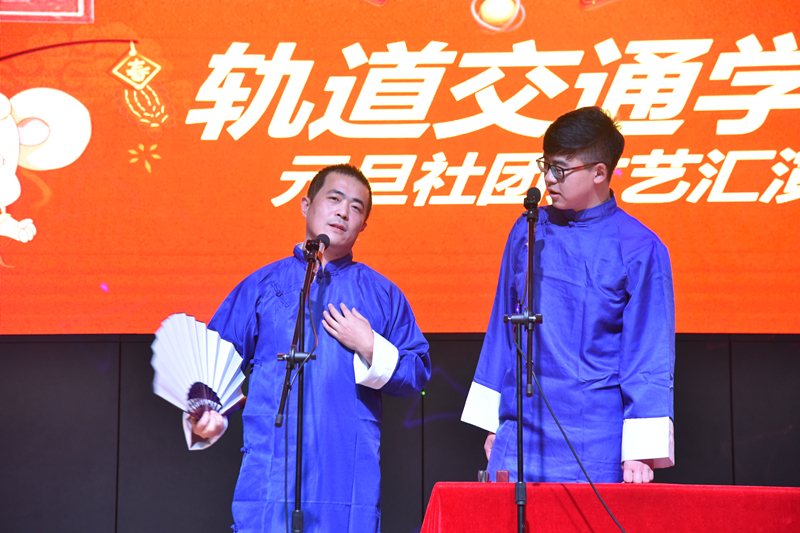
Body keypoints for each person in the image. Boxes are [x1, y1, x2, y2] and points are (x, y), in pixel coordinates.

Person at [187, 164, 431, 532]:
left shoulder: (381, 293)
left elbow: (417, 372)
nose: (343, 212)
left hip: (345, 473)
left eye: (356, 207)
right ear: (306, 205)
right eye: (334, 199)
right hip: (271, 469)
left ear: (363, 225)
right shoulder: (263, 285)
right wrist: (204, 407)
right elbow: (214, 358)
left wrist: (370, 346)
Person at [461, 107, 674, 484]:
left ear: (599, 172)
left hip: (596, 436)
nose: (548, 178)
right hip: (521, 429)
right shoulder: (529, 229)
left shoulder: (640, 246)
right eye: (546, 165)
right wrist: (492, 423)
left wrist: (640, 449)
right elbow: (502, 329)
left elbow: (648, 352)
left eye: (560, 169)